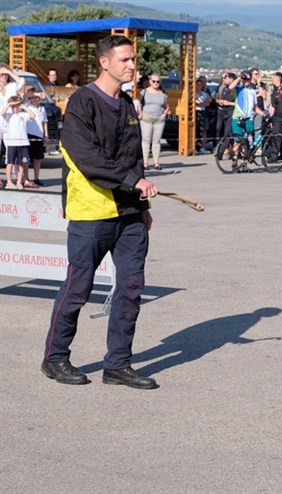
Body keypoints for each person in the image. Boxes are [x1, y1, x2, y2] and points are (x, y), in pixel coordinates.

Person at [41, 34, 160, 390]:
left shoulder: (126, 103)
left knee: (131, 288)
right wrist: (134, 182)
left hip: (130, 214)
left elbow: (133, 157)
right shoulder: (82, 102)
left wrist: (142, 205)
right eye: (125, 60)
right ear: (104, 63)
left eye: (133, 59)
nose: (132, 65)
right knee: (78, 287)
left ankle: (118, 365)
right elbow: (88, 158)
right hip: (91, 212)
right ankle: (55, 358)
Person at [228, 69, 264, 171]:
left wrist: (264, 114)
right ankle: (235, 162)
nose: (246, 81)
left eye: (248, 79)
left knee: (248, 142)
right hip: (238, 118)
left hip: (249, 119)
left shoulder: (252, 91)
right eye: (245, 79)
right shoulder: (238, 89)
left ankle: (245, 164)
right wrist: (240, 77)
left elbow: (255, 107)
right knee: (238, 141)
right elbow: (230, 87)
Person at [2, 95, 38, 189]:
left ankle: (19, 182)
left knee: (22, 164)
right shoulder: (9, 115)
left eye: (17, 106)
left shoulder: (23, 115)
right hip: (12, 143)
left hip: (23, 143)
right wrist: (10, 104)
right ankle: (9, 182)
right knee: (10, 163)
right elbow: (2, 113)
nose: (16, 108)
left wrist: (24, 107)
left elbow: (33, 116)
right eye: (14, 106)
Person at [139, 73, 169, 170]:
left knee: (156, 141)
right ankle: (145, 163)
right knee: (146, 140)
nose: (156, 83)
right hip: (146, 118)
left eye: (158, 81)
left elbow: (166, 106)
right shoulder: (144, 92)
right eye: (154, 81)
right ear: (150, 82)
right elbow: (138, 103)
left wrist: (164, 114)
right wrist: (141, 113)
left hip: (159, 119)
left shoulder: (163, 93)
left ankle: (156, 163)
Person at [0, 64, 26, 166]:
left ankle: (12, 172)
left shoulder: (11, 86)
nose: (4, 76)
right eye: (2, 74)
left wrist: (9, 71)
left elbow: (22, 82)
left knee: (10, 146)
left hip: (9, 119)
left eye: (5, 75)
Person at [24, 89, 48, 187]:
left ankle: (36, 178)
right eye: (33, 97)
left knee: (37, 159)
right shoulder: (27, 105)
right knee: (26, 159)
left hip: (39, 135)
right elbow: (25, 95)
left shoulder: (42, 108)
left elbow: (44, 122)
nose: (35, 99)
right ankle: (25, 178)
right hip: (28, 135)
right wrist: (36, 93)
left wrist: (46, 135)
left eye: (37, 97)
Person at [215, 72, 236, 140]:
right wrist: (220, 101)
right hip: (223, 112)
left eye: (225, 78)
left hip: (232, 112)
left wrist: (228, 103)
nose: (224, 79)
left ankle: (225, 145)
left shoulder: (236, 90)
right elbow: (217, 98)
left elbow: (240, 104)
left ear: (231, 79)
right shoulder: (224, 88)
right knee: (219, 129)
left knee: (228, 131)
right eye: (223, 78)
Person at [195, 76, 212, 154]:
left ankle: (200, 147)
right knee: (196, 130)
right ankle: (195, 147)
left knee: (202, 130)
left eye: (200, 84)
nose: (199, 86)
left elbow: (209, 101)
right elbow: (198, 103)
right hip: (196, 112)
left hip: (203, 112)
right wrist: (204, 103)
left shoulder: (204, 94)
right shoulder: (194, 93)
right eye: (197, 84)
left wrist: (204, 103)